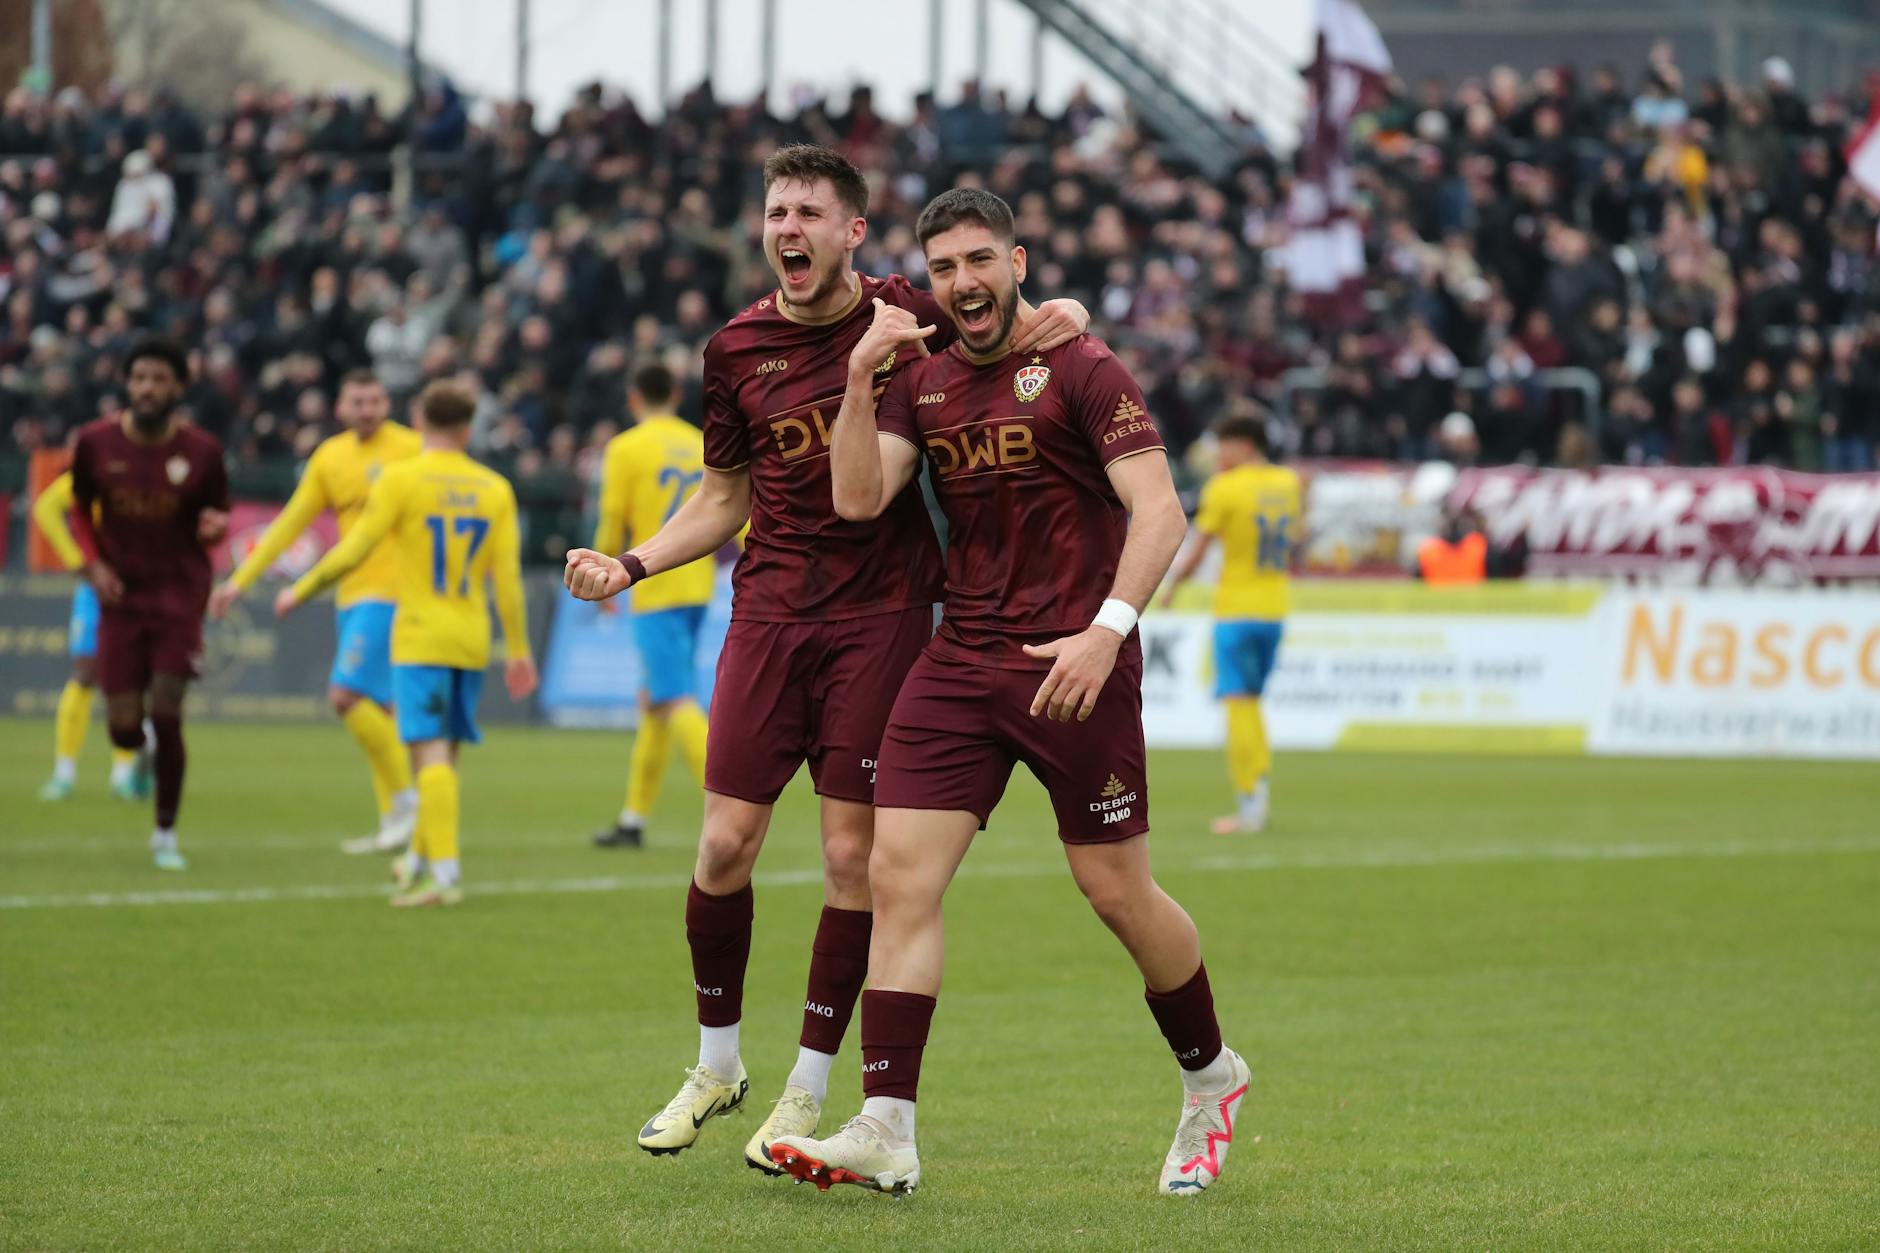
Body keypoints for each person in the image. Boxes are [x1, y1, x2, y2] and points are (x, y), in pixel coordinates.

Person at [562, 144, 1090, 1174]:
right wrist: (631, 562)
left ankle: (806, 1085)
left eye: (808, 210)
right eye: (775, 210)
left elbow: (1010, 320)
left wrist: (1061, 310)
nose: (787, 227)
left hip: (885, 615)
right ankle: (717, 1065)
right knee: (722, 846)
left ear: (853, 230)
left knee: (851, 860)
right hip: (767, 610)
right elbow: (724, 497)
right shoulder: (733, 349)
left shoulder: (907, 312)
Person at [769, 189, 1248, 1197]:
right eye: (942, 269)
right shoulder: (921, 380)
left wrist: (1103, 633)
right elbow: (855, 499)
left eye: (978, 261)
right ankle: (886, 1124)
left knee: (1114, 891)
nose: (960, 283)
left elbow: (1158, 511)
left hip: (1079, 666)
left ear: (1017, 261)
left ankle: (1211, 1075)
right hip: (958, 665)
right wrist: (858, 381)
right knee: (897, 876)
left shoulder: (1082, 367)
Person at [275, 380, 536, 907]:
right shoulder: (494, 488)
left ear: (418, 424)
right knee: (447, 759)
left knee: (429, 754)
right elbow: (506, 579)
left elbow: (356, 549)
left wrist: (300, 589)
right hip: (470, 636)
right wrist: (518, 650)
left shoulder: (402, 478)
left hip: (420, 634)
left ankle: (443, 877)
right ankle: (417, 861)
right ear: (467, 429)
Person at [209, 371, 423, 854]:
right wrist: (239, 581)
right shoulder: (331, 458)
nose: (366, 409)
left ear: (386, 402)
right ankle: (397, 816)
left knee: (346, 695)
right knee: (383, 710)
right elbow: (288, 525)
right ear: (342, 407)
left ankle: (410, 803)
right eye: (357, 401)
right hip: (350, 593)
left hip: (395, 594)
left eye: (374, 400)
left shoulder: (412, 448)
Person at [68, 338, 231, 871]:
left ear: (179, 387)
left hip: (179, 594)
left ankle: (165, 834)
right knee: (121, 726)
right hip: (121, 596)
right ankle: (138, 755)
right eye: (140, 378)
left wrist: (214, 529)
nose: (148, 388)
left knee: (167, 710)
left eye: (160, 379)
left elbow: (217, 517)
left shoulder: (203, 451)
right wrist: (93, 565)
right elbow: (79, 512)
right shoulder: (94, 443)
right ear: (127, 383)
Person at [588, 364, 718, 850]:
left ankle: (731, 799)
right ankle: (633, 819)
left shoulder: (625, 448)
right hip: (696, 580)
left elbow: (612, 519)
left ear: (633, 399)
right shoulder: (700, 440)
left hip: (652, 584)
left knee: (672, 698)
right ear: (677, 394)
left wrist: (602, 581)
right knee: (655, 702)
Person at [1159, 415, 1302, 835]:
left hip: (1236, 611)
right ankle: (1258, 796)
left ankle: (1249, 808)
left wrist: (1171, 588)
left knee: (1238, 706)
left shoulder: (1225, 488)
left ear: (1245, 445)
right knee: (1253, 705)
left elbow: (1199, 551)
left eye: (1223, 445)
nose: (1218, 455)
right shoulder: (1287, 483)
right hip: (1275, 609)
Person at [31, 464, 148, 802]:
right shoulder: (102, 467)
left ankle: (122, 775)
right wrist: (77, 562)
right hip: (96, 586)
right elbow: (46, 508)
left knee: (130, 679)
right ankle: (64, 773)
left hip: (138, 587)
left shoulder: (153, 471)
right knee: (84, 673)